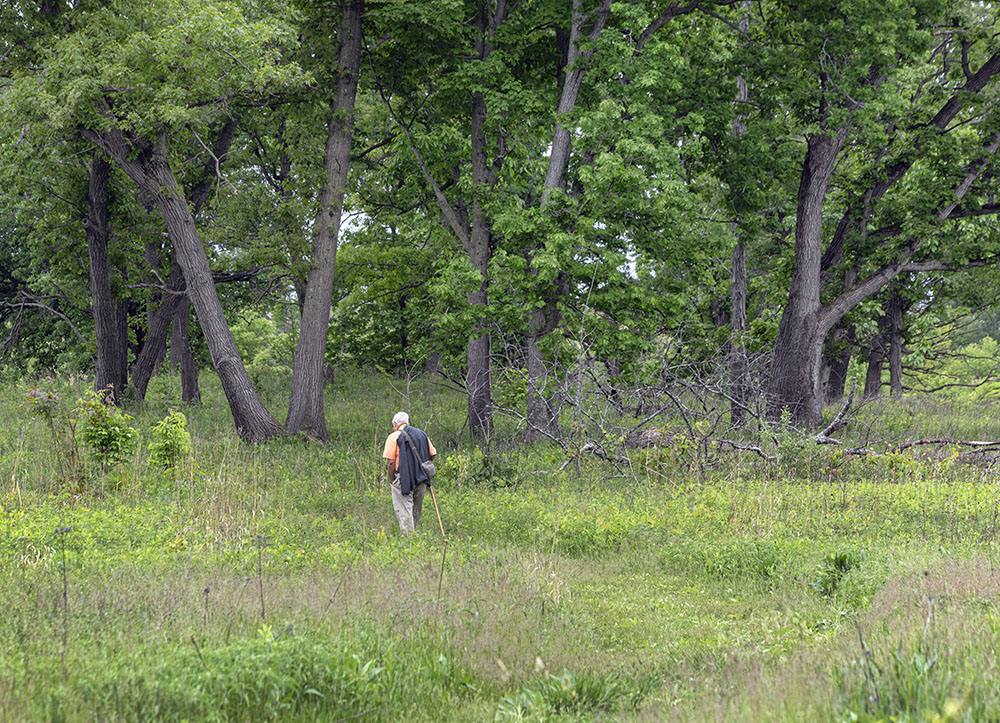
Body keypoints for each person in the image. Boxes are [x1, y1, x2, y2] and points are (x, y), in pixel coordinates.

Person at [381, 411, 436, 534]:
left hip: (403, 478)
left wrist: (392, 478)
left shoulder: (393, 436)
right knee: (416, 511)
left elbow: (391, 463)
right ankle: (414, 536)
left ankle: (408, 540)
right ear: (407, 422)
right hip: (421, 478)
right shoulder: (422, 434)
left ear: (395, 424)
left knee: (405, 510)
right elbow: (432, 454)